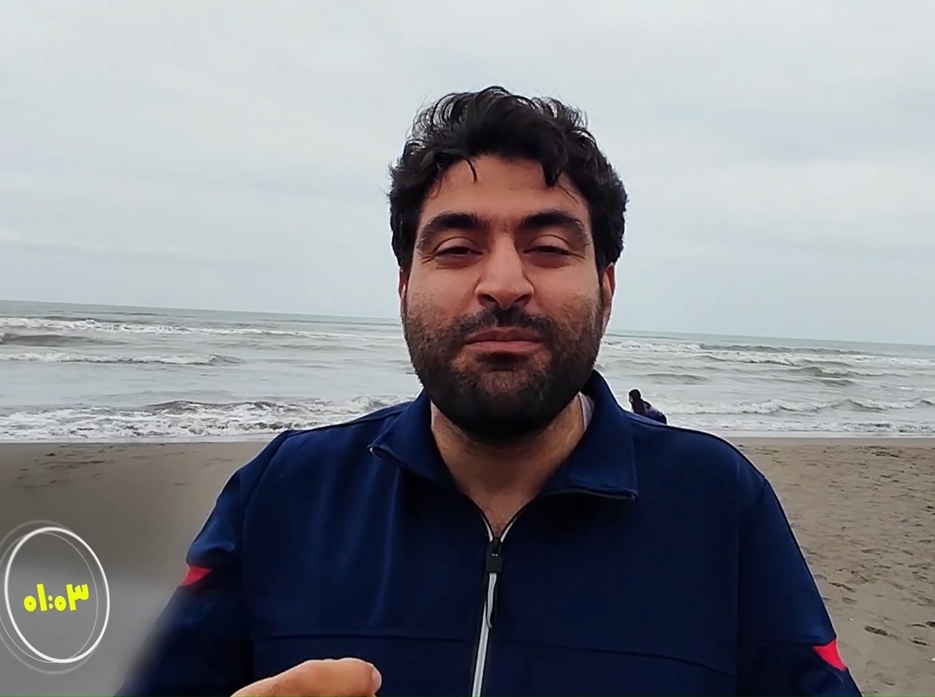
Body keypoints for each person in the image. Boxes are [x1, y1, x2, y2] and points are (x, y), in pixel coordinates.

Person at [119, 87, 859, 697]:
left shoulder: (720, 505)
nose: (504, 283)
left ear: (606, 288)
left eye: (548, 247)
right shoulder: (281, 497)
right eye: (456, 248)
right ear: (405, 286)